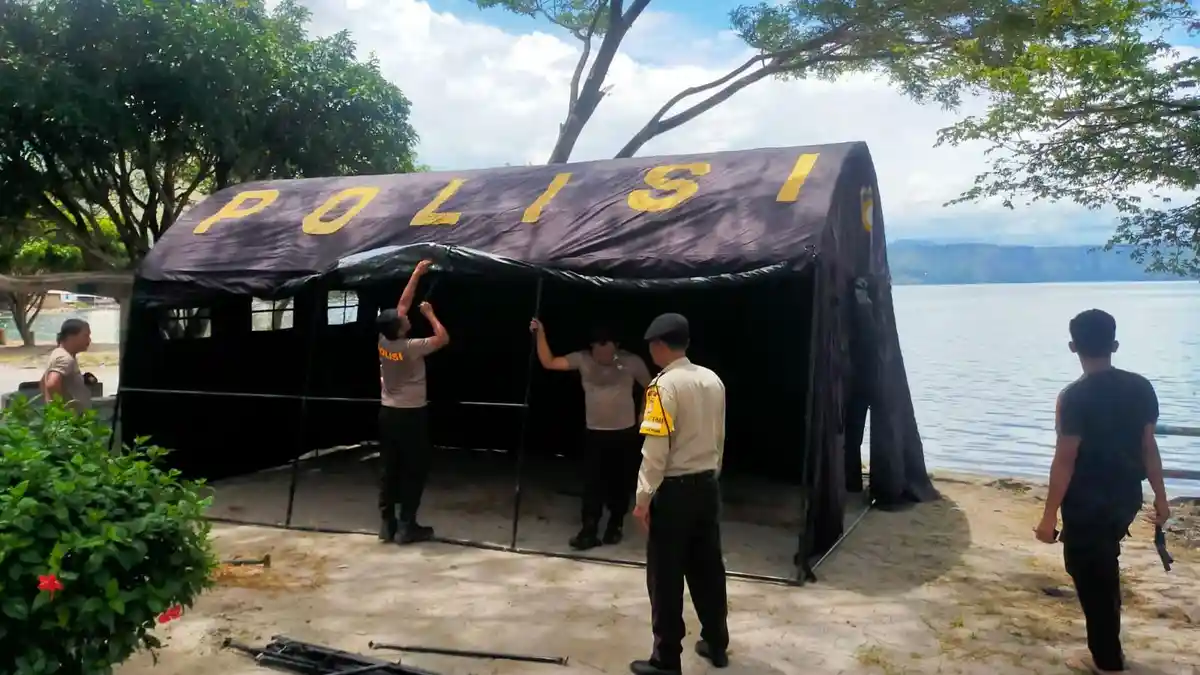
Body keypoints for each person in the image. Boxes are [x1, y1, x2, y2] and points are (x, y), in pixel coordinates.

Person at [1034, 309, 1170, 674]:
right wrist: (1160, 497)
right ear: (1114, 345)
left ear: (1072, 346)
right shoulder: (1141, 387)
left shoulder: (1072, 397)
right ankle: (1108, 649)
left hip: (1086, 501)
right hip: (1126, 497)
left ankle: (1107, 661)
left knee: (1089, 573)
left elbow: (1065, 460)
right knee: (1103, 566)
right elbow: (1148, 447)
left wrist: (1048, 517)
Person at [630, 313, 729, 675]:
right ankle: (716, 643)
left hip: (674, 492)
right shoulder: (712, 380)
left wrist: (642, 499)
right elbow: (718, 436)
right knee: (708, 569)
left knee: (666, 576)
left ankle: (666, 658)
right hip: (707, 485)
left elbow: (655, 449)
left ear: (659, 346)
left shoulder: (662, 387)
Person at [529, 320, 652, 549]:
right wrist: (540, 334)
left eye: (608, 350)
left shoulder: (631, 361)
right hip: (595, 432)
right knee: (592, 482)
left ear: (616, 346)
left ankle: (615, 524)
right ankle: (589, 529)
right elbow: (549, 362)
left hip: (624, 432)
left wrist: (644, 411)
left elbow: (651, 385)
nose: (603, 356)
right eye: (598, 350)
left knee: (620, 482)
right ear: (591, 347)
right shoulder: (582, 359)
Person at [377, 259, 449, 545]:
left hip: (388, 413)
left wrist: (417, 273)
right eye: (402, 319)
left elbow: (403, 304)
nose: (405, 316)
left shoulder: (384, 341)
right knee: (413, 469)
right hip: (411, 415)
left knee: (389, 467)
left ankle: (387, 524)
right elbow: (442, 338)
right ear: (400, 329)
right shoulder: (411, 347)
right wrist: (430, 314)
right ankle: (407, 525)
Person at [41, 318, 93, 413]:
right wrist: (62, 411)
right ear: (71, 337)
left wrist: (49, 403)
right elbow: (52, 384)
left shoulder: (59, 353)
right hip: (69, 419)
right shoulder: (65, 358)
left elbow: (43, 382)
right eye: (85, 335)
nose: (89, 340)